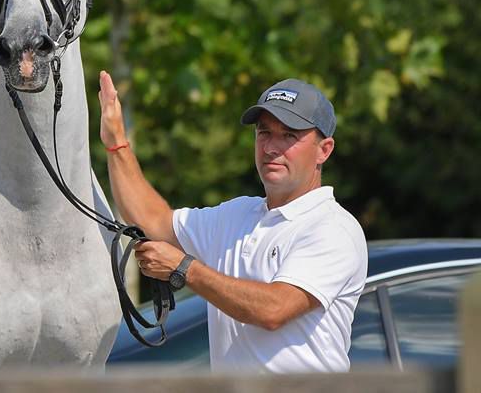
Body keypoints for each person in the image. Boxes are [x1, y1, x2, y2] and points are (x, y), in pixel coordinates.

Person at [98, 71, 366, 373]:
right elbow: (154, 221)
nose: (271, 147)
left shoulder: (332, 227)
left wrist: (184, 268)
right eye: (264, 132)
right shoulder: (239, 214)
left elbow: (274, 310)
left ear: (324, 150)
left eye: (289, 135)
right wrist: (116, 142)